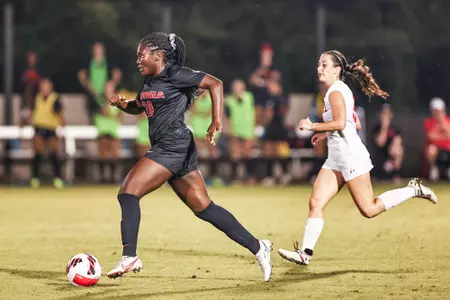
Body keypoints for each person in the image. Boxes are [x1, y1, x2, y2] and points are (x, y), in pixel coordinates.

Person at [106, 32, 272, 281]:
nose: (138, 60)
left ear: (159, 56)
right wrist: (123, 105)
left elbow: (215, 83)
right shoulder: (150, 81)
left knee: (128, 193)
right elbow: (140, 106)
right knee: (204, 207)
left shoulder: (175, 74)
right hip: (175, 147)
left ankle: (130, 257)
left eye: (142, 55)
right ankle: (259, 246)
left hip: (173, 146)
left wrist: (217, 120)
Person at [277, 50, 437, 266]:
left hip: (351, 157)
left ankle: (413, 189)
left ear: (337, 70)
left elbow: (342, 123)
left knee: (369, 210)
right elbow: (355, 124)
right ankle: (305, 254)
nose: (319, 68)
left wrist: (313, 125)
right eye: (318, 64)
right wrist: (325, 133)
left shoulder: (335, 92)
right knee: (315, 202)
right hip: (336, 158)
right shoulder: (337, 91)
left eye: (324, 65)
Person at [29, 78, 65, 188]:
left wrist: (63, 123)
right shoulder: (37, 98)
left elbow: (60, 113)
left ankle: (57, 178)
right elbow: (33, 111)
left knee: (54, 153)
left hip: (51, 128)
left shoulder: (55, 98)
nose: (44, 89)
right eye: (43, 86)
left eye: (46, 86)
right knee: (37, 153)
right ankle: (35, 178)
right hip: (39, 127)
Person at [372, 103, 403, 184]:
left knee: (398, 150)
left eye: (387, 114)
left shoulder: (396, 129)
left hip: (391, 159)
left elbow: (398, 143)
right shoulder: (376, 129)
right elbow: (380, 143)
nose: (385, 117)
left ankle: (395, 174)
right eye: (384, 114)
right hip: (380, 160)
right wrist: (384, 127)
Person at [424, 97, 450, 181]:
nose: (437, 113)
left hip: (448, 149)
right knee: (431, 149)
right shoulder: (428, 122)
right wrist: (438, 126)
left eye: (439, 111)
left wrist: (442, 121)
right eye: (435, 111)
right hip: (437, 150)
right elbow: (431, 136)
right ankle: (434, 169)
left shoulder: (448, 121)